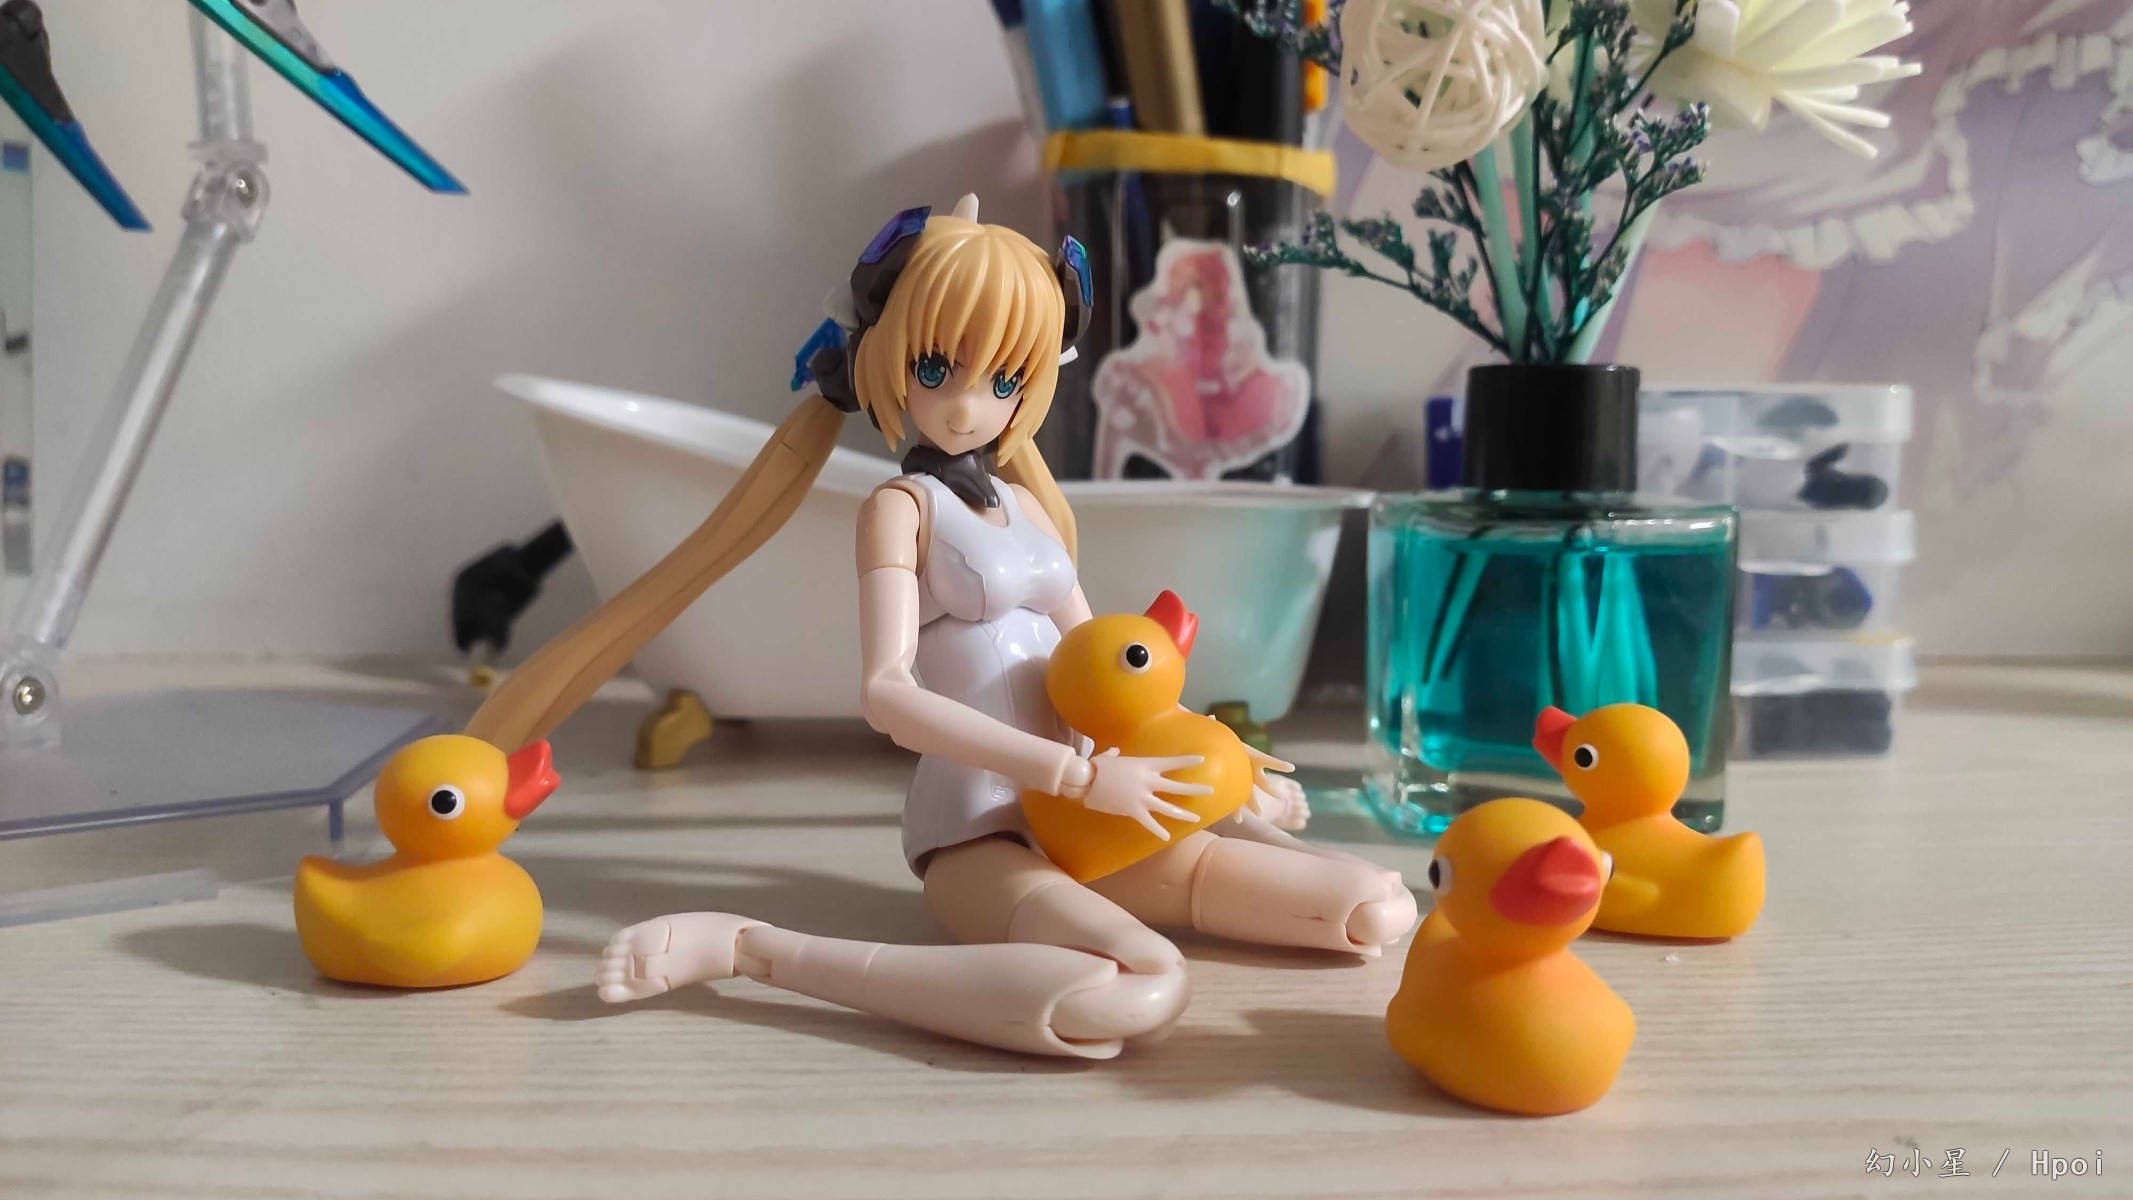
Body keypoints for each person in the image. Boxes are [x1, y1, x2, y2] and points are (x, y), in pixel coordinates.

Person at [475, 195, 1415, 1058]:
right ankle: (751, 949)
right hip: (981, 839)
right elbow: (887, 696)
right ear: (889, 361)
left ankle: (1209, 853)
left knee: (1375, 908)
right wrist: (1075, 773)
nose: (968, 402)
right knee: (1140, 988)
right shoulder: (900, 511)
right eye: (936, 367)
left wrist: (1219, 772)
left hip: (1091, 825)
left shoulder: (1029, 508)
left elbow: (1111, 673)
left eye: (1004, 378)